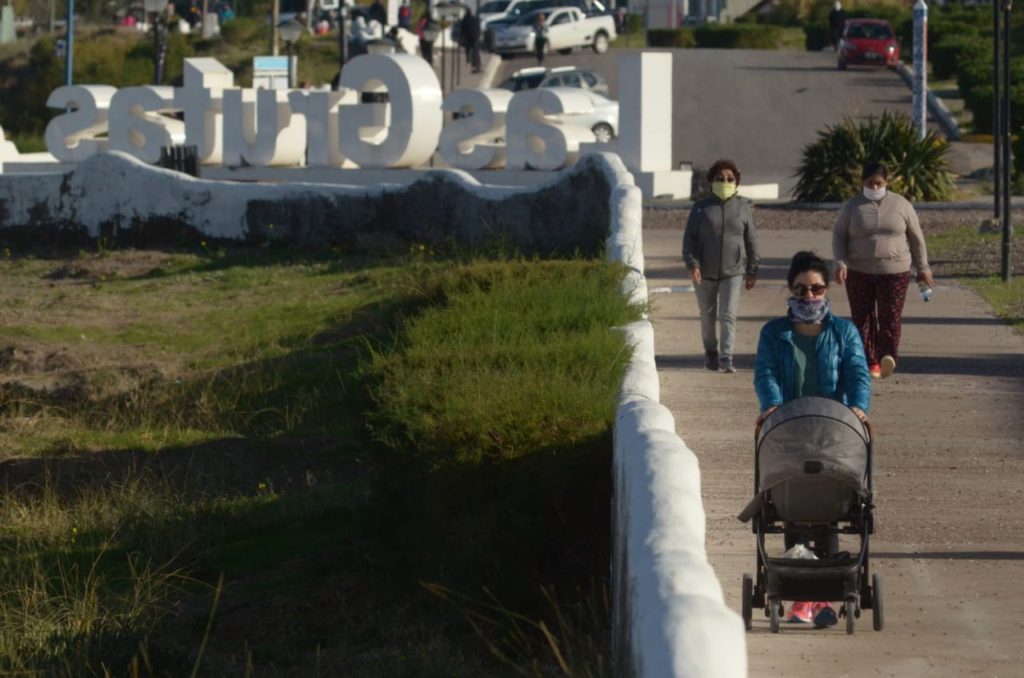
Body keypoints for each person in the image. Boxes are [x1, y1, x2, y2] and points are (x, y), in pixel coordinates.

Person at [754, 250, 872, 627]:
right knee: (794, 505)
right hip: (790, 429)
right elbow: (766, 373)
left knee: (829, 507)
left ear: (827, 289)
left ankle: (821, 597)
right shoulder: (775, 333)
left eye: (816, 289)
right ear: (790, 289)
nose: (809, 297)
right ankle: (804, 597)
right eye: (801, 289)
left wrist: (858, 406)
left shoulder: (844, 332)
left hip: (834, 431)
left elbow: (857, 372)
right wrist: (771, 405)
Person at [832, 161, 933, 380]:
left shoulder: (901, 205)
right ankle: (870, 361)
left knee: (890, 316)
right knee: (863, 318)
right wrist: (840, 262)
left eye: (879, 183)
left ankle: (887, 355)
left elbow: (916, 238)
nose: (875, 187)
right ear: (862, 183)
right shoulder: (852, 207)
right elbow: (839, 234)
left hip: (895, 271)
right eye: (870, 183)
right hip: (859, 270)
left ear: (887, 182)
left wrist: (922, 268)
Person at [682, 159, 759, 374]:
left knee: (728, 315)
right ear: (711, 182)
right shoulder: (700, 209)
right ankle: (711, 351)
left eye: (729, 179)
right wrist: (693, 264)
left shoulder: (743, 208)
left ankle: (727, 358)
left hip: (733, 272)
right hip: (704, 273)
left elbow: (751, 240)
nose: (725, 182)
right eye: (720, 179)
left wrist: (753, 268)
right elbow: (689, 240)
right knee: (707, 316)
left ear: (736, 182)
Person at [461, 7, 481, 73]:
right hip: (475, 36)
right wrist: (478, 34)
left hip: (468, 37)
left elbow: (462, 29)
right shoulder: (474, 19)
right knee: (475, 50)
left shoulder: (464, 19)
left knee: (468, 49)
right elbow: (478, 27)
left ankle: (468, 60)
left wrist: (462, 36)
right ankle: (476, 63)